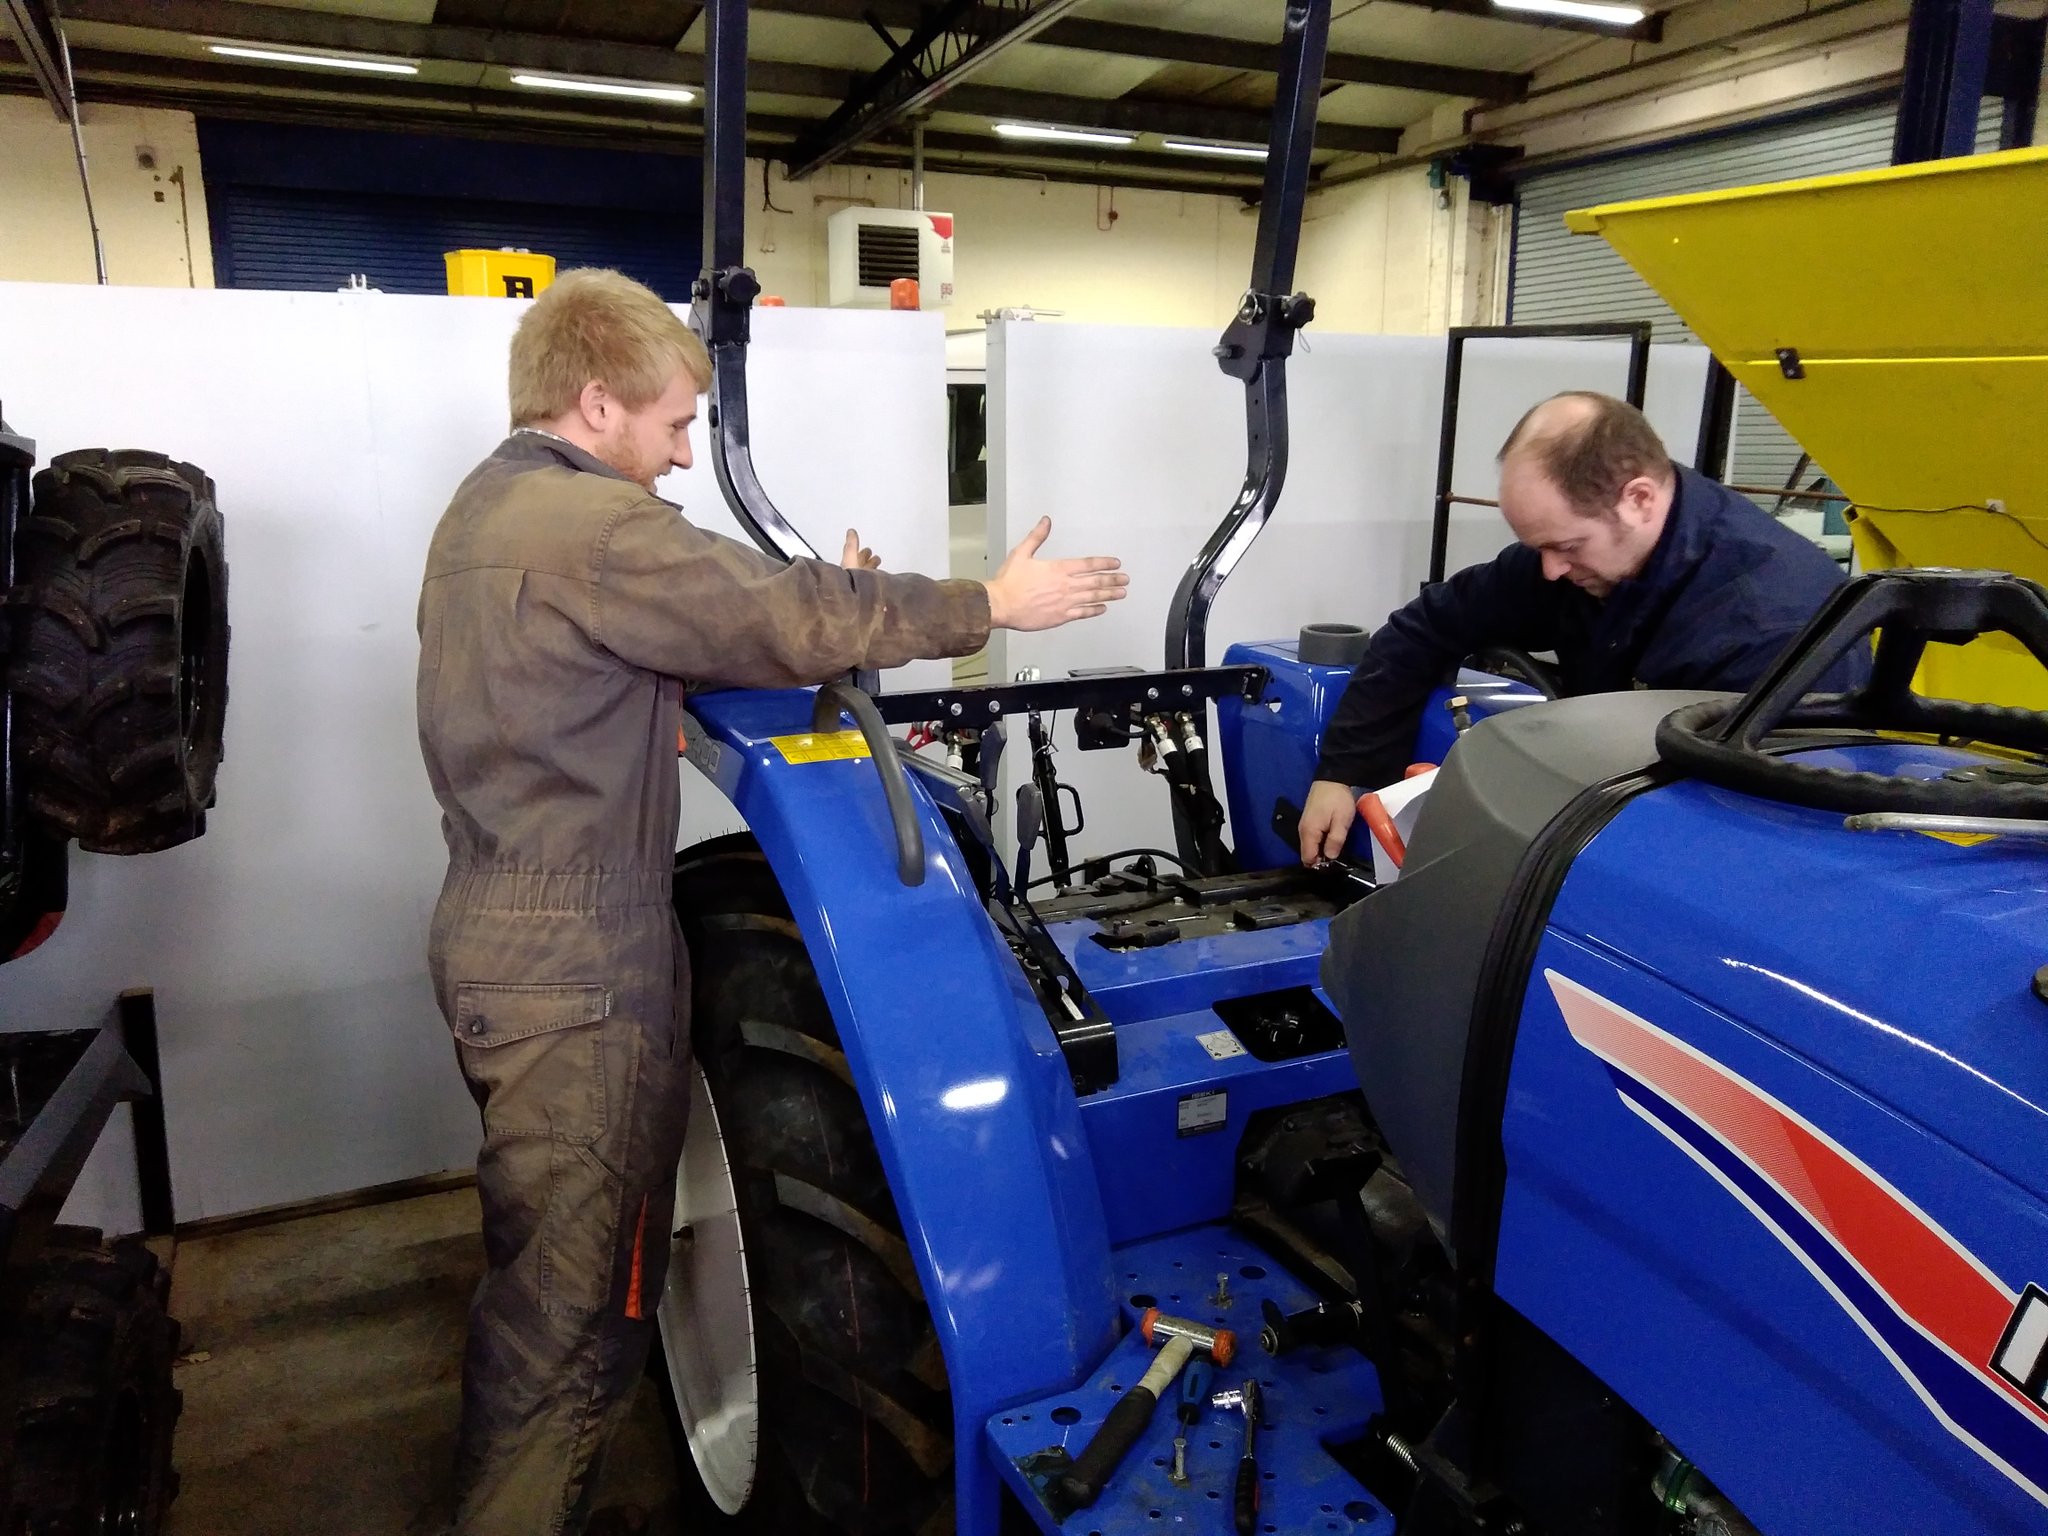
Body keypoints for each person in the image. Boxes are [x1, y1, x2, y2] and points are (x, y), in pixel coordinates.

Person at [415, 268, 1127, 1535]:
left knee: (552, 1287)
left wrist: (823, 629)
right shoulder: (589, 529)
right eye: (673, 426)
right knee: (570, 1322)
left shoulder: (490, 508)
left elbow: (693, 636)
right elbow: (762, 606)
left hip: (508, 937)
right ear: (595, 403)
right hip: (576, 964)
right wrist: (986, 609)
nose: (682, 460)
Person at [1298, 390, 1868, 865]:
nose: (1550, 570)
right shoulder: (1579, 564)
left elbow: (1766, 835)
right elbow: (1425, 627)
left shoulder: (1769, 625)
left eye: (1565, 546)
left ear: (1639, 499)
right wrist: (1344, 771)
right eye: (1539, 547)